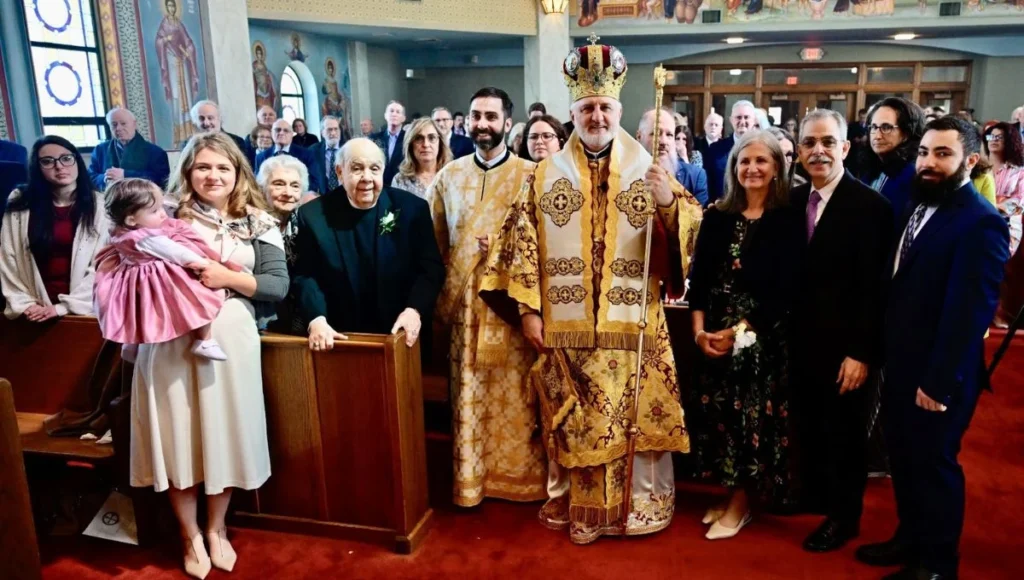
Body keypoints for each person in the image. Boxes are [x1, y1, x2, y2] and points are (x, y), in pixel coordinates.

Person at [479, 40, 702, 545]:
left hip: (633, 326)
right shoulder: (543, 175)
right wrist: (528, 311)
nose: (596, 115)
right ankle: (581, 509)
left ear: (617, 110)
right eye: (587, 108)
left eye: (604, 107)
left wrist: (668, 203)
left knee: (631, 421)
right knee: (576, 419)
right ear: (573, 113)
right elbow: (522, 245)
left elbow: (692, 235)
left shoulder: (649, 167)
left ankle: (638, 510)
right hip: (567, 326)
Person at [856, 117, 1009, 580]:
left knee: (934, 466)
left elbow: (969, 313)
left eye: (943, 154)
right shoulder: (919, 204)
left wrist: (938, 382)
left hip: (940, 376)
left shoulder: (980, 222)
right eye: (924, 152)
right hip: (903, 364)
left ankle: (938, 565)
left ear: (970, 160)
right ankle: (910, 539)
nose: (929, 163)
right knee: (904, 457)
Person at [130, 132, 288, 580]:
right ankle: (188, 534)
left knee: (223, 433)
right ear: (187, 172)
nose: (212, 175)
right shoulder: (162, 217)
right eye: (203, 167)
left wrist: (224, 276)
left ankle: (217, 529)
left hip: (231, 343)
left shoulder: (259, 222)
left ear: (238, 173)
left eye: (223, 167)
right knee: (181, 434)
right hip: (169, 340)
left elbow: (277, 286)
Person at [429, 87, 548, 509]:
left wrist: (502, 249)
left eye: (491, 116)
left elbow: (547, 244)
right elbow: (436, 243)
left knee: (513, 392)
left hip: (510, 305)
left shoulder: (532, 175)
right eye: (476, 115)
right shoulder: (449, 176)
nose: (482, 123)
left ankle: (517, 477)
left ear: (507, 123)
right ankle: (471, 479)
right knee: (469, 391)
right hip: (464, 308)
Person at [687, 130, 801, 540]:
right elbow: (698, 279)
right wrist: (700, 333)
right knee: (717, 417)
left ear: (776, 169)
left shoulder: (788, 217)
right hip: (714, 329)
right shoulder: (717, 214)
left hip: (761, 336)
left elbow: (784, 289)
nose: (751, 168)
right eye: (744, 161)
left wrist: (739, 332)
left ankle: (742, 503)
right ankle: (727, 491)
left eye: (761, 161)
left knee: (747, 420)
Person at [790, 109, 893, 553]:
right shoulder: (792, 203)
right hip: (802, 342)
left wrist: (862, 353)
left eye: (828, 142)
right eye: (809, 143)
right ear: (798, 152)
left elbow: (876, 289)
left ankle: (844, 517)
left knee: (845, 435)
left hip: (848, 347)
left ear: (846, 148)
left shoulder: (871, 206)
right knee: (811, 426)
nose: (819, 151)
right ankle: (815, 498)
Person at [292, 138, 444, 350]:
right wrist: (316, 319)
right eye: (356, 168)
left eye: (374, 169)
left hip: (400, 332)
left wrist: (414, 310)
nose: (367, 178)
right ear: (339, 172)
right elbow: (306, 275)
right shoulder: (314, 215)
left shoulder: (411, 209)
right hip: (341, 335)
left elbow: (430, 268)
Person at [94, 179, 234, 363]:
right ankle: (204, 340)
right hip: (158, 279)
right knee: (200, 298)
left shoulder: (119, 231)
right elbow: (178, 253)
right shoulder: (146, 237)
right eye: (154, 211)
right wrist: (202, 262)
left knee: (137, 313)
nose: (163, 214)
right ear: (131, 219)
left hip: (133, 280)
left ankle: (130, 344)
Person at [1, 136, 108, 320]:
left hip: (83, 309)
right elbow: (8, 256)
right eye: (48, 162)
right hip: (33, 307)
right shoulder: (21, 201)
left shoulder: (100, 204)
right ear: (38, 168)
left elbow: (102, 264)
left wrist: (65, 306)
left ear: (77, 161)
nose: (59, 166)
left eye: (66, 158)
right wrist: (25, 303)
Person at [256, 154, 314, 334]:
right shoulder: (251, 226)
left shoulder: (305, 226)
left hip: (298, 319)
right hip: (260, 321)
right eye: (279, 184)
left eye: (295, 186)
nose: (288, 193)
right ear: (262, 188)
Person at [865, 97, 926, 226]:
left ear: (906, 133)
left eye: (886, 127)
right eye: (874, 127)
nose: (877, 135)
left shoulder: (913, 175)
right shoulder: (870, 168)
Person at [638, 108, 708, 207]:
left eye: (669, 135)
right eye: (655, 133)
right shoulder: (621, 172)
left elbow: (699, 220)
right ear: (639, 136)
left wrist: (669, 202)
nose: (663, 141)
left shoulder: (695, 176)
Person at [89, 107, 170, 190]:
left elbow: (161, 179)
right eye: (114, 124)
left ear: (134, 124)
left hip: (141, 200)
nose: (118, 128)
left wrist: (126, 175)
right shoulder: (100, 150)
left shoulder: (156, 152)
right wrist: (105, 178)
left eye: (123, 123)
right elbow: (90, 177)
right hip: (109, 198)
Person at [982, 122, 1024, 255]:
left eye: (999, 137)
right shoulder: (978, 168)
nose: (994, 140)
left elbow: (1020, 202)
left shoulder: (1018, 171)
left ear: (1010, 141)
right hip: (977, 220)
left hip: (1007, 224)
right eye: (991, 136)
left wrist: (995, 206)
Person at [707, 100, 758, 205]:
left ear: (754, 120)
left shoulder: (763, 149)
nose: (742, 121)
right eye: (738, 117)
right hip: (722, 211)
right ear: (731, 120)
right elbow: (708, 183)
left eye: (746, 117)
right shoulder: (715, 150)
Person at [392, 118, 451, 202]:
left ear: (440, 143)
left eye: (432, 138)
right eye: (419, 138)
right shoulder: (400, 180)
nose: (426, 144)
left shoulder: (451, 176)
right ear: (410, 145)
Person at [255, 120, 320, 192]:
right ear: (272, 133)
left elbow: (314, 182)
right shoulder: (260, 157)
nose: (281, 133)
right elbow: (258, 183)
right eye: (277, 130)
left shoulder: (307, 154)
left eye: (286, 130)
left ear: (292, 134)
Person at [370, 101, 408, 187]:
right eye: (391, 111)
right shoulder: (375, 139)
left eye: (398, 112)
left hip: (401, 185)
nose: (394, 114)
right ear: (385, 115)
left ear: (403, 118)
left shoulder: (408, 139)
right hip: (378, 185)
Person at [309, 115, 344, 195]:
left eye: (336, 129)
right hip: (322, 197)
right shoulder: (313, 151)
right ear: (322, 133)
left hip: (345, 195)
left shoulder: (348, 148)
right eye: (329, 130)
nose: (333, 133)